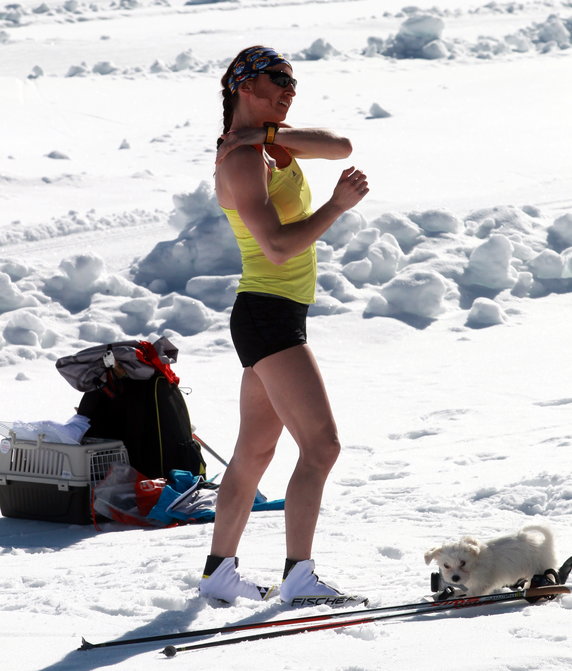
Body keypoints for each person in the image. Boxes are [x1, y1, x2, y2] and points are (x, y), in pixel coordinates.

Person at [199, 46, 369, 606]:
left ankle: (219, 572)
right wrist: (336, 206)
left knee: (254, 452)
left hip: (272, 314)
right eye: (279, 80)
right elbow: (275, 248)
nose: (290, 89)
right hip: (268, 316)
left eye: (294, 80)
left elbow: (340, 145)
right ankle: (299, 576)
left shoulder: (264, 145)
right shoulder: (241, 161)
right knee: (322, 446)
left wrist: (270, 137)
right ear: (245, 85)